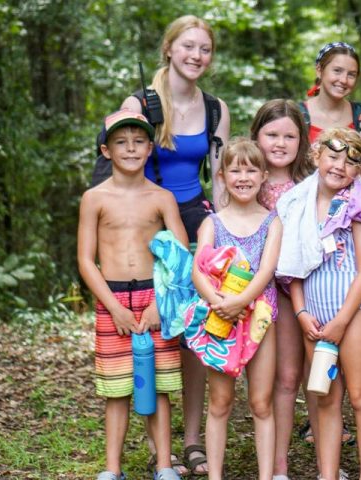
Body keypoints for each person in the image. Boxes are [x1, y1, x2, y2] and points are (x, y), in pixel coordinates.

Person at [121, 16, 231, 475]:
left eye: (204, 49)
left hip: (196, 218)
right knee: (156, 327)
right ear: (169, 48)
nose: (196, 56)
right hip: (146, 218)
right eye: (188, 46)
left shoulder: (214, 108)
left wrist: (227, 230)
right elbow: (114, 166)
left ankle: (190, 440)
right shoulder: (141, 102)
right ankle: (157, 443)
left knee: (193, 333)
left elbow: (222, 177)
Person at [78, 111, 187, 480]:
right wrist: (113, 307)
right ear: (106, 151)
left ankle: (165, 466)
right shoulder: (94, 198)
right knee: (117, 387)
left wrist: (160, 301)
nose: (130, 148)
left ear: (150, 147)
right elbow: (86, 260)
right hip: (113, 302)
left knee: (157, 386)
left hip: (154, 298)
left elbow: (179, 253)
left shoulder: (162, 197)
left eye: (139, 141)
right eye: (121, 142)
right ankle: (112, 469)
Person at [281, 128, 361, 480]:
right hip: (313, 316)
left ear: (359, 171)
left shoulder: (355, 206)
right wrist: (301, 312)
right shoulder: (297, 206)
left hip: (351, 315)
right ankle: (328, 473)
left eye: (351, 162)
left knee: (360, 395)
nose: (340, 166)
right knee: (325, 396)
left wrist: (341, 321)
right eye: (334, 157)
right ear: (316, 156)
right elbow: (292, 267)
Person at [191, 139, 282, 480]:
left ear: (263, 176)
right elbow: (199, 269)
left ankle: (266, 475)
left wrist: (241, 302)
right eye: (235, 169)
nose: (243, 177)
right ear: (223, 175)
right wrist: (219, 303)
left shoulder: (272, 222)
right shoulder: (212, 223)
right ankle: (215, 474)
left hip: (260, 320)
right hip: (221, 320)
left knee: (261, 403)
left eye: (250, 169)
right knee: (220, 402)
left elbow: (266, 271)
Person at [247, 100, 315, 480]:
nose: (280, 143)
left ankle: (279, 465)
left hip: (291, 291)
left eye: (289, 136)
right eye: (271, 134)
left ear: (301, 141)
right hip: (250, 291)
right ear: (256, 135)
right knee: (259, 379)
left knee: (289, 377)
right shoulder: (244, 178)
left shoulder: (308, 186)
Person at [301, 42, 361, 145]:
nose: (344, 80)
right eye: (337, 70)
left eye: (351, 74)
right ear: (319, 70)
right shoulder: (298, 114)